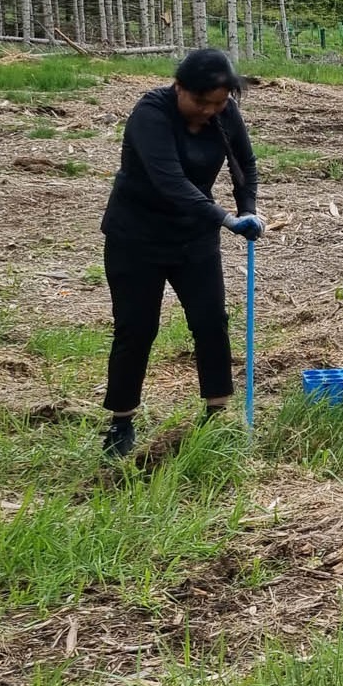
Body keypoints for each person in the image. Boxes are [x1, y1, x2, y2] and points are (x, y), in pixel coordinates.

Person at [99, 48, 261, 457]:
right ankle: (121, 423)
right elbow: (169, 180)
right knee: (136, 329)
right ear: (179, 88)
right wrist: (226, 219)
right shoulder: (151, 114)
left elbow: (245, 163)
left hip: (194, 238)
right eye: (202, 101)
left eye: (220, 102)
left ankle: (217, 411)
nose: (211, 110)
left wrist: (249, 210)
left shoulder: (225, 113)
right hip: (136, 238)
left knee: (210, 321)